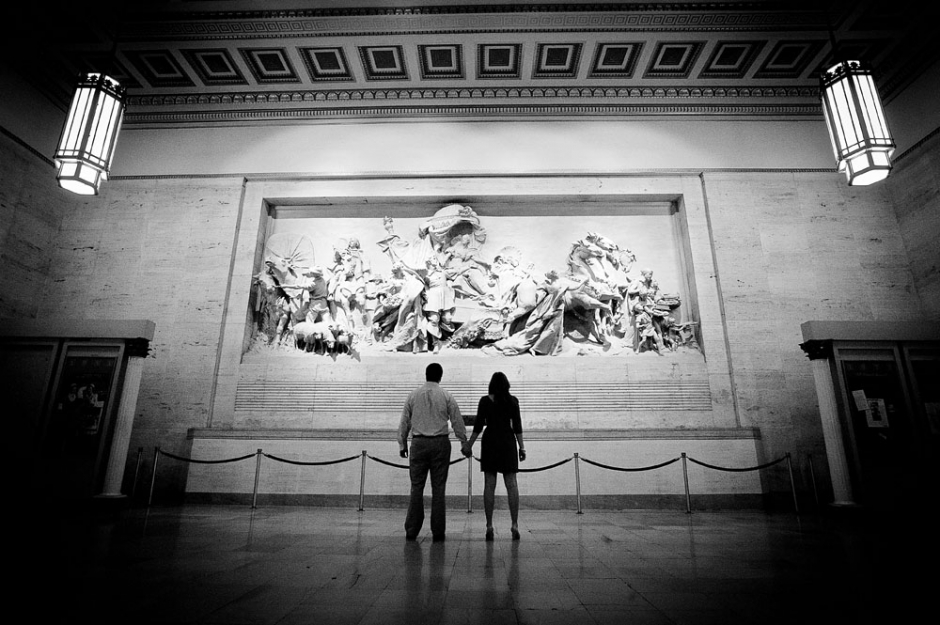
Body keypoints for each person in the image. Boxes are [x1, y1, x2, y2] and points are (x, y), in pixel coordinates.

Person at [398, 363, 468, 541]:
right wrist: (463, 441)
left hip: (419, 443)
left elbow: (405, 422)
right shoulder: (446, 395)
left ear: (426, 375)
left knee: (416, 487)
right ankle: (438, 531)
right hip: (440, 444)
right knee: (438, 489)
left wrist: (402, 445)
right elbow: (457, 420)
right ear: (440, 376)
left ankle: (412, 529)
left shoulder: (413, 395)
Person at [463, 371, 526, 540]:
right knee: (511, 484)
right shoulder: (513, 401)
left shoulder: (485, 401)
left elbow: (478, 427)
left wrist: (469, 445)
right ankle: (514, 524)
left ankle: (489, 525)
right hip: (507, 440)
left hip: (490, 441)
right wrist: (522, 448)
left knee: (489, 485)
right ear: (506, 385)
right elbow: (518, 427)